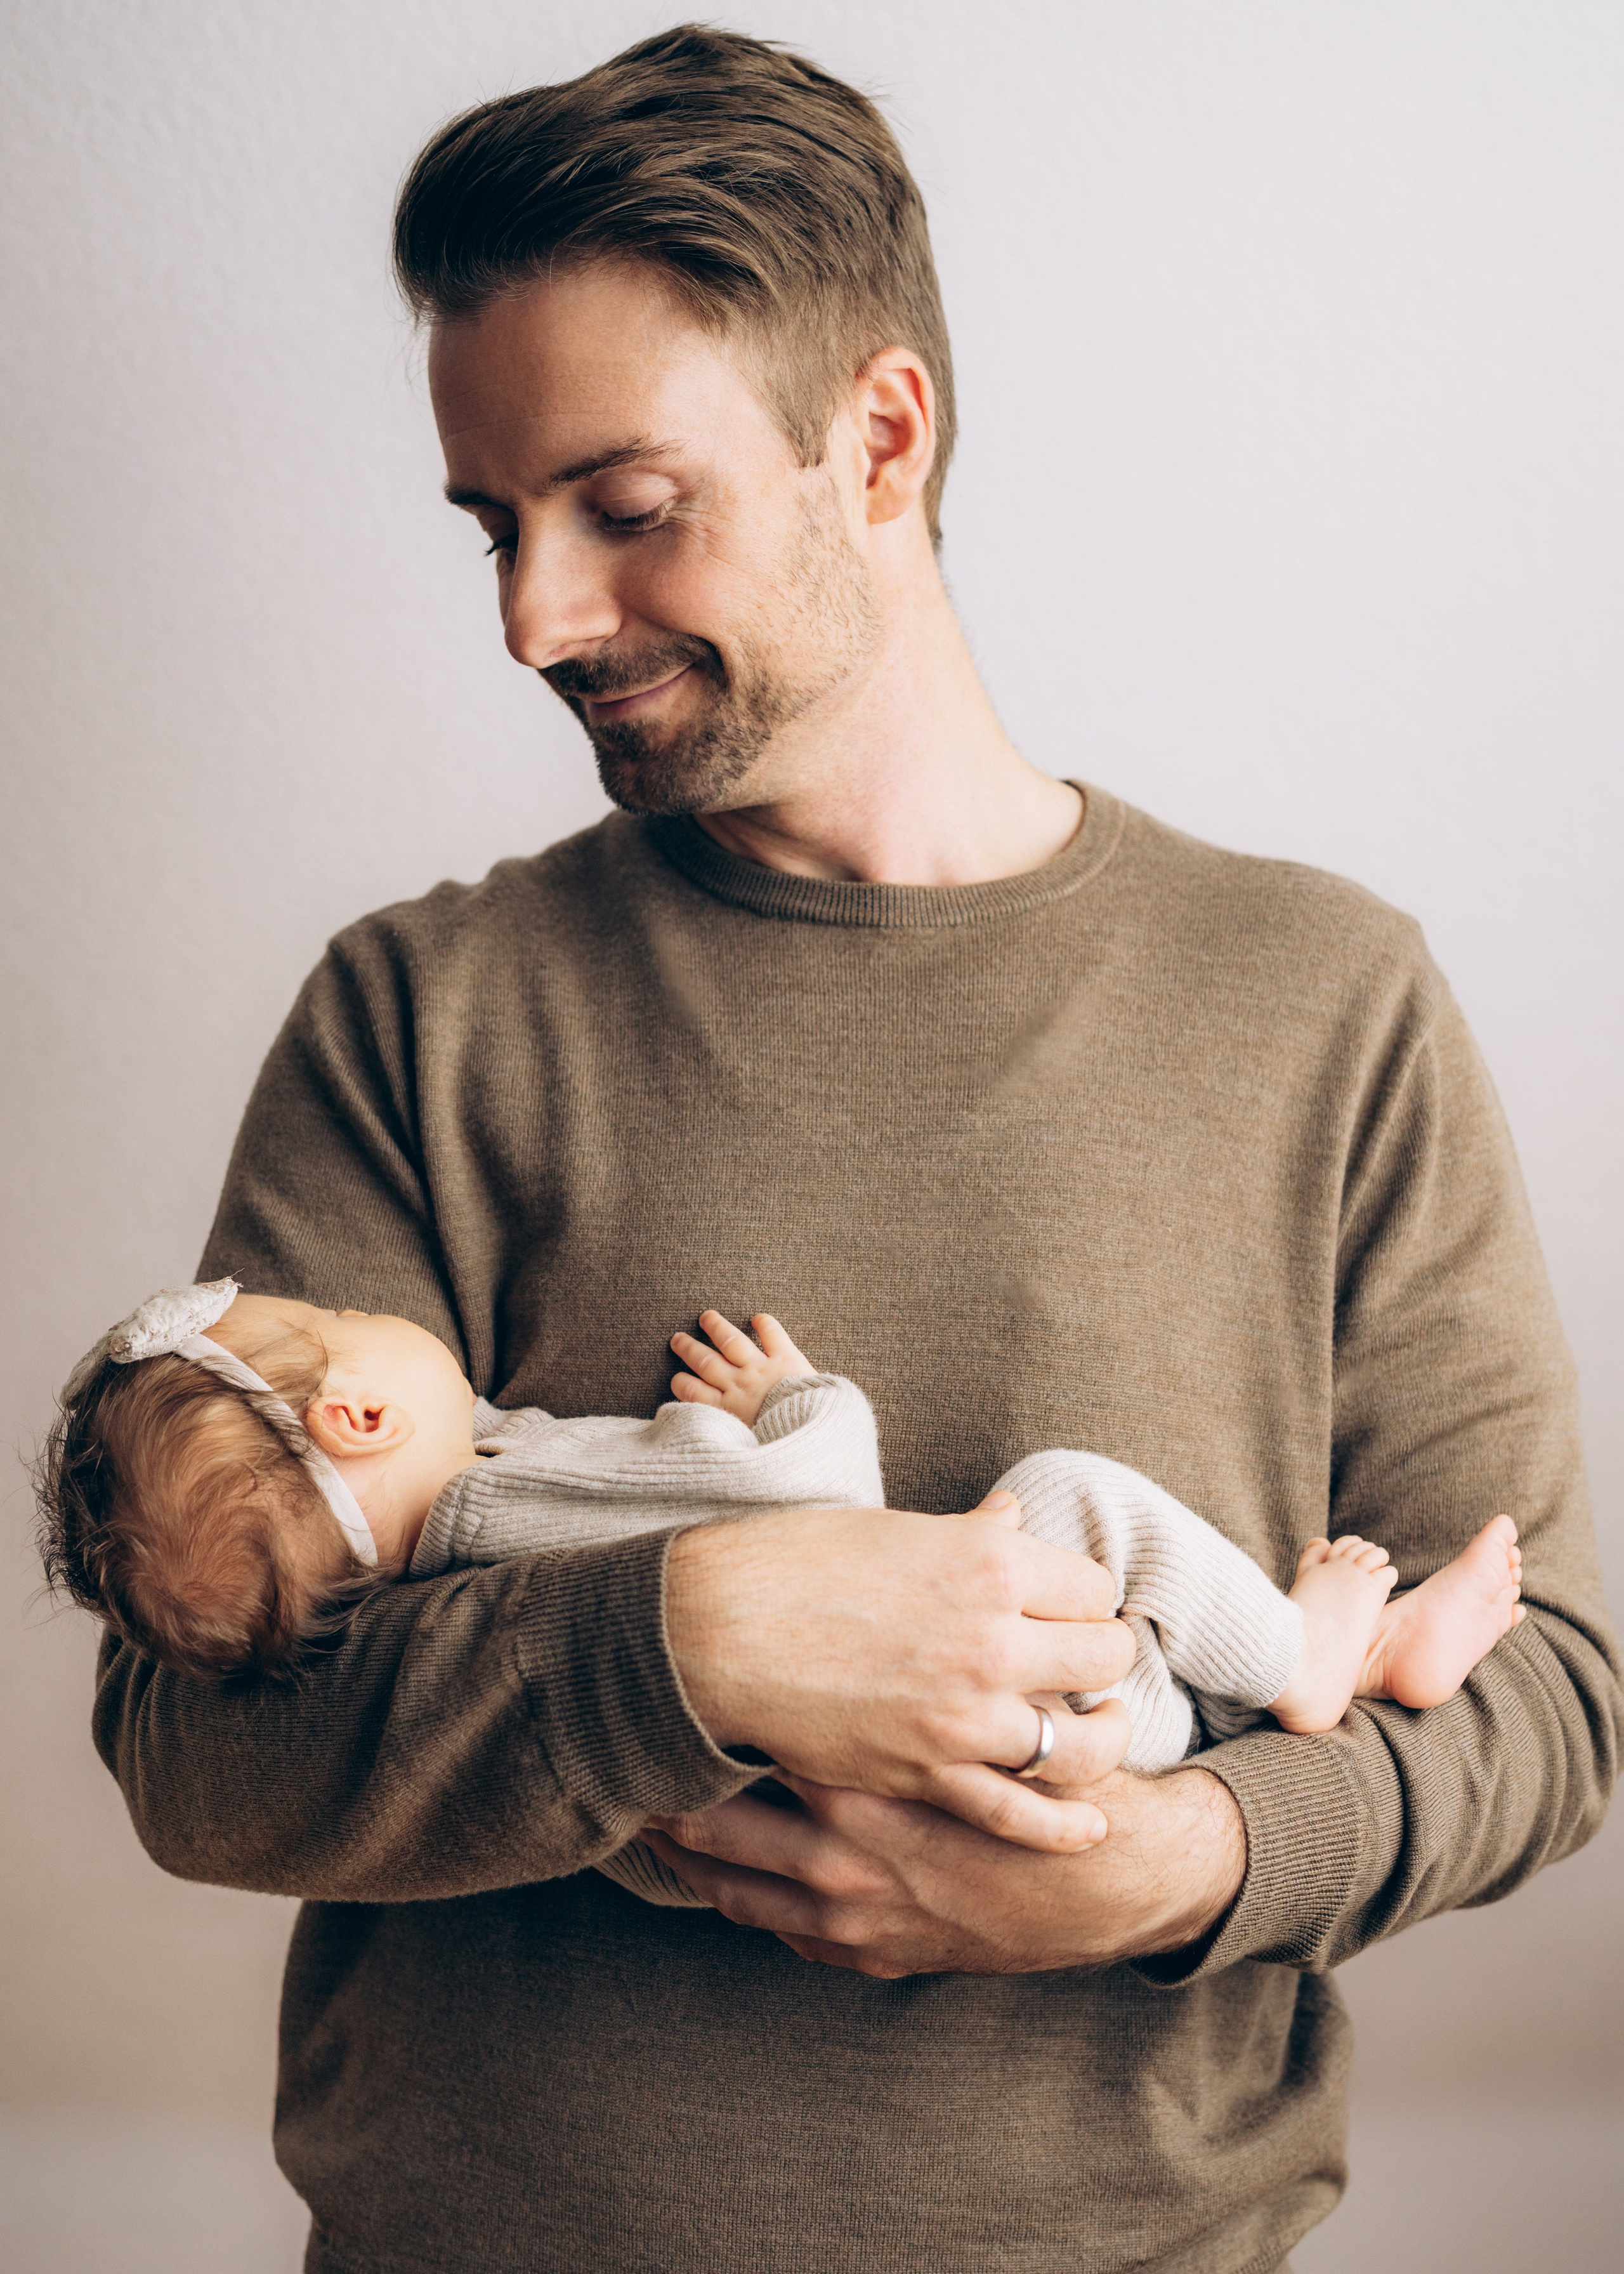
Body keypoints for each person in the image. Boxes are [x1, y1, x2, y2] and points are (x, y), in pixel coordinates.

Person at [87, 24, 1618, 2274]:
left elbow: (1555, 1694)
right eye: (495, 525)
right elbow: (190, 1734)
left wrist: (1175, 1860)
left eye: (625, 504)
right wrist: (691, 1630)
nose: (534, 616)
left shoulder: (1323, 1003)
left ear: (874, 436)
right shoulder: (423, 1014)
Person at [44, 1277, 1526, 1910]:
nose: (386, 1312)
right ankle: (1308, 1653)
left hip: (972, 1773)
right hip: (1017, 1697)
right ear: (361, 1420)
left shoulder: (431, 1572)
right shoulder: (508, 1490)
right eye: (355, 1314)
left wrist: (1196, 1862)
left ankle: (1281, 1676)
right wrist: (794, 1395)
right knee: (1077, 1492)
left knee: (1140, 1676)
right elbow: (813, 1503)